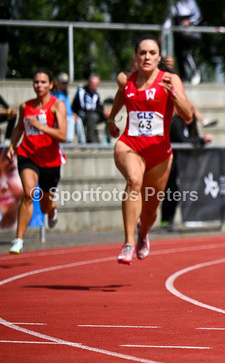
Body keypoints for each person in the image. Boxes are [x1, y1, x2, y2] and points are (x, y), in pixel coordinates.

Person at [107, 36, 193, 265]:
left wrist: (173, 95)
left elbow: (188, 115)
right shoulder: (126, 80)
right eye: (142, 52)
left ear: (159, 57)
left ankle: (143, 233)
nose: (147, 57)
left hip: (159, 152)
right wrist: (112, 118)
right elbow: (121, 96)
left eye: (152, 53)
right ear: (136, 56)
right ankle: (127, 243)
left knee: (150, 211)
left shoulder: (170, 79)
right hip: (130, 144)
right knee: (134, 181)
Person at [5, 69, 67, 253]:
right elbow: (18, 129)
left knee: (45, 204)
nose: (38, 85)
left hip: (50, 160)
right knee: (28, 193)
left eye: (43, 82)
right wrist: (11, 146)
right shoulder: (26, 106)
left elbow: (63, 135)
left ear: (51, 85)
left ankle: (52, 208)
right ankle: (19, 240)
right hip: (28, 154)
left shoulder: (57, 106)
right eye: (36, 82)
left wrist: (41, 126)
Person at [161, 110, 212, 231]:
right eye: (186, 115)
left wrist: (201, 140)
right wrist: (202, 140)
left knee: (175, 193)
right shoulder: (176, 123)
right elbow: (183, 140)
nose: (188, 119)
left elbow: (193, 138)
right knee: (169, 191)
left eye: (190, 116)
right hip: (168, 163)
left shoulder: (191, 125)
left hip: (181, 164)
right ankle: (164, 221)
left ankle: (170, 222)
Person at [162, 0, 203, 85]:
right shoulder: (174, 5)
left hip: (189, 33)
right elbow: (168, 20)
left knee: (185, 53)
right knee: (180, 54)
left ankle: (194, 72)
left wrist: (189, 21)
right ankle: (183, 77)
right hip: (179, 34)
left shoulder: (191, 2)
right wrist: (163, 33)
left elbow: (198, 16)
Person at [72, 74, 104, 143]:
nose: (94, 85)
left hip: (94, 115)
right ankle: (90, 140)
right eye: (92, 83)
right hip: (82, 115)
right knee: (92, 117)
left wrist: (105, 112)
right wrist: (74, 113)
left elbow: (100, 107)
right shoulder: (81, 91)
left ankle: (108, 139)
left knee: (109, 116)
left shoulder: (97, 94)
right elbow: (75, 106)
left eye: (96, 84)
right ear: (89, 83)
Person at [52, 73, 76, 142]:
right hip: (56, 114)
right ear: (58, 82)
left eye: (65, 83)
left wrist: (72, 114)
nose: (64, 85)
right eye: (62, 83)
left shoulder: (64, 93)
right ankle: (68, 140)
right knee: (70, 120)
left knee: (77, 119)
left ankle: (82, 142)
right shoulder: (52, 93)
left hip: (65, 115)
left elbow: (68, 107)